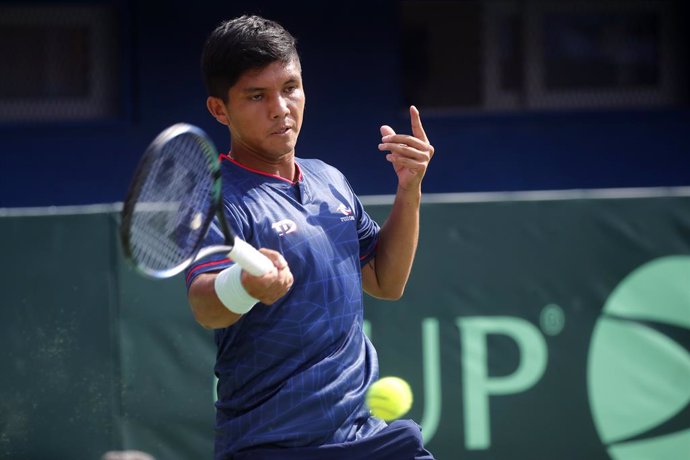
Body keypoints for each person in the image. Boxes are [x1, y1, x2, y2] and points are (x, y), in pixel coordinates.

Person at [185, 14, 435, 460]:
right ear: (220, 109)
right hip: (273, 446)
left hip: (365, 438)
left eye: (290, 88)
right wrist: (244, 287)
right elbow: (205, 305)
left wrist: (409, 189)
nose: (280, 107)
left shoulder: (329, 179)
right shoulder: (218, 198)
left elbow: (385, 281)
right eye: (257, 96)